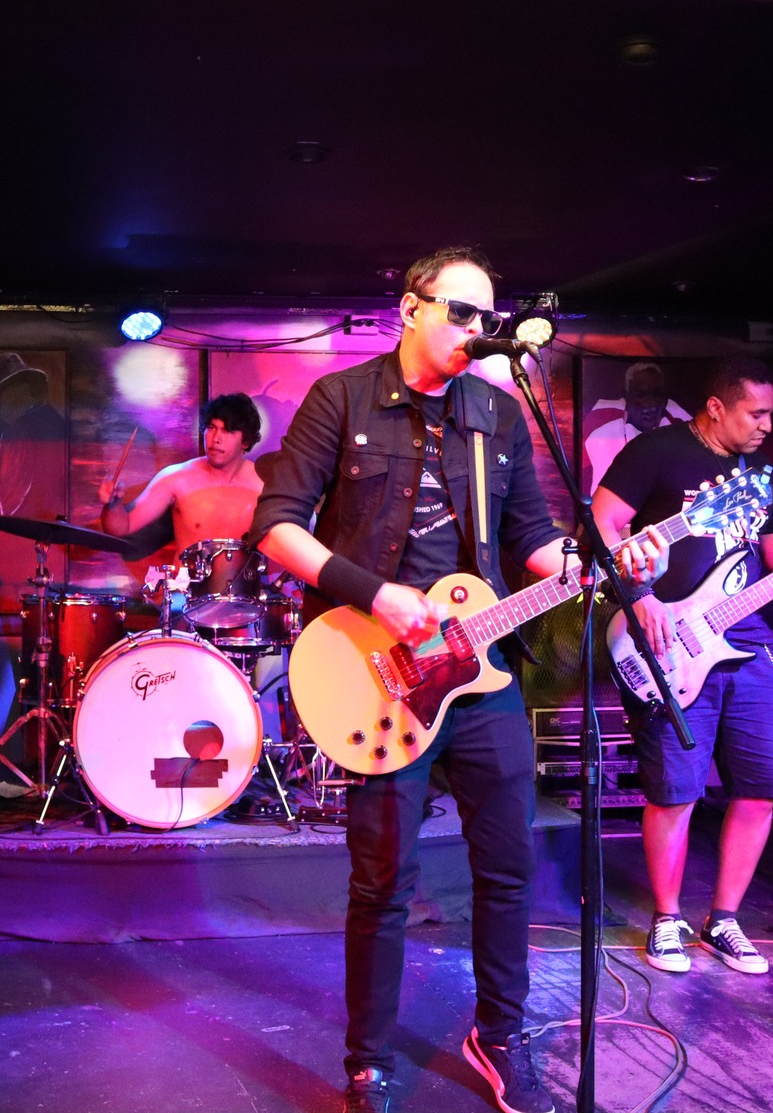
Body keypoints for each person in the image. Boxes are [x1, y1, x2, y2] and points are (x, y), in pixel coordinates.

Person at [252, 246, 664, 1113]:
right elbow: (276, 525)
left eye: (489, 316)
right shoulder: (342, 398)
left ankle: (500, 1033)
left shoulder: (498, 412)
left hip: (481, 672)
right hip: (379, 673)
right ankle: (368, 1059)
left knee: (509, 868)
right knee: (382, 882)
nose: (478, 328)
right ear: (411, 308)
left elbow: (535, 542)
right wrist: (377, 594)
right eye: (462, 311)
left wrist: (607, 560)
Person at [589, 355, 773, 979]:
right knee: (675, 789)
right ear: (716, 407)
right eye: (757, 413)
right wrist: (639, 596)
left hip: (745, 635)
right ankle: (667, 919)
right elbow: (602, 521)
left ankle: (724, 919)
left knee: (762, 783)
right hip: (668, 634)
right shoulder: (657, 451)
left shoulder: (760, 474)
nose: (767, 425)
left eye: (772, 414)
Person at [97, 392, 265, 552]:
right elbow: (121, 527)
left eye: (227, 431)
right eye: (212, 428)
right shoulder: (175, 478)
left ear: (246, 440)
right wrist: (112, 504)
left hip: (247, 574)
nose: (216, 439)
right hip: (186, 574)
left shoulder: (264, 485)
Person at [582, 361, 688, 490]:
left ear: (666, 399)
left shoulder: (681, 429)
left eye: (657, 395)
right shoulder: (603, 435)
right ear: (626, 396)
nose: (650, 404)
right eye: (641, 395)